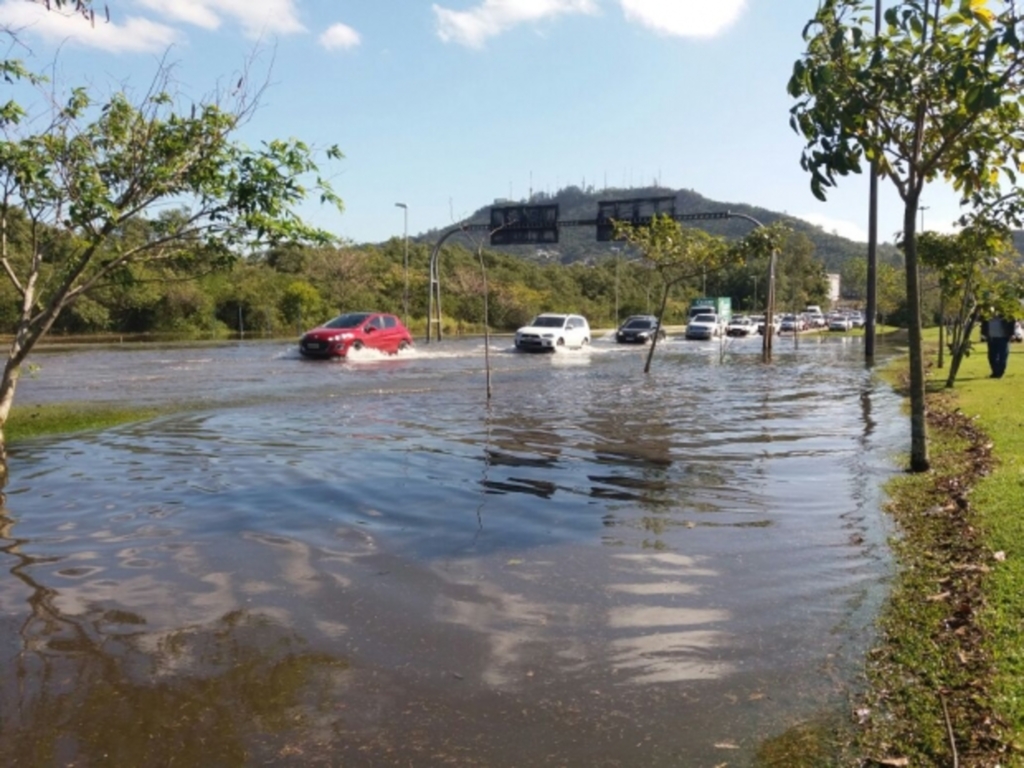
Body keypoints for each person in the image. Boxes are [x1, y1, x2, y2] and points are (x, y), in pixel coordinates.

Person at [980, 313, 1014, 378]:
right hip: (991, 338)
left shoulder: (1005, 313)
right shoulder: (987, 314)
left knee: (1002, 356)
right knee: (991, 357)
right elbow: (983, 322)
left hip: (1003, 338)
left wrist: (1011, 334)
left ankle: (1000, 373)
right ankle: (995, 372)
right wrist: (983, 334)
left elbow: (1011, 322)